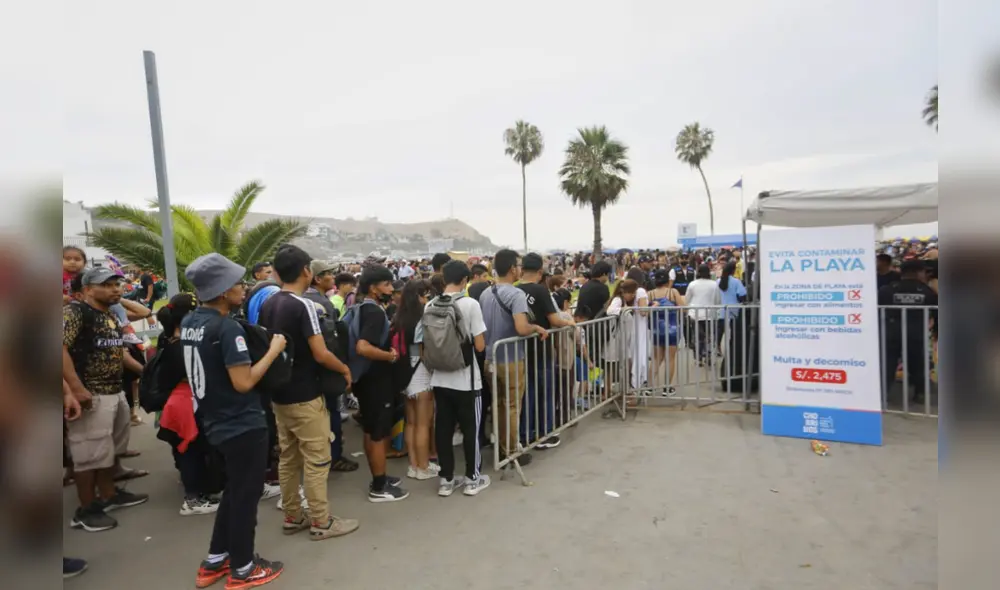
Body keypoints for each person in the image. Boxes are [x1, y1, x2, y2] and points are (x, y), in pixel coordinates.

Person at [181, 253, 286, 589]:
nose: (244, 287)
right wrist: (273, 349)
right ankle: (243, 566)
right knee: (245, 495)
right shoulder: (226, 328)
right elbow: (243, 381)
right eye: (239, 283)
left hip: (214, 420)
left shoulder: (191, 323)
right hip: (241, 422)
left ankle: (216, 558)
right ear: (224, 290)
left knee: (234, 490)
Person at [258, 245, 359, 539]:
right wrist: (343, 368)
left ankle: (293, 515)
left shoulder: (269, 303)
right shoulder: (302, 306)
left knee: (289, 458)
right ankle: (321, 521)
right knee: (317, 459)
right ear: (306, 271)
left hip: (280, 393)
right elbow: (319, 352)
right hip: (305, 393)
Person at [63, 267, 149, 533]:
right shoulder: (75, 312)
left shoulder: (109, 314)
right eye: (107, 285)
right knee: (88, 455)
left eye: (117, 284)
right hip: (91, 393)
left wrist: (145, 372)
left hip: (113, 390)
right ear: (88, 289)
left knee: (107, 449)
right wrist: (75, 388)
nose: (115, 289)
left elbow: (118, 352)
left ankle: (109, 495)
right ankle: (86, 510)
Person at [419, 260, 491, 496]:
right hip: (467, 380)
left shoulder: (430, 304)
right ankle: (473, 478)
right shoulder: (470, 304)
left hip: (439, 377)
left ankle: (446, 480)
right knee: (472, 429)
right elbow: (480, 345)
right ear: (464, 280)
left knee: (443, 429)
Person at [154, 293, 223, 516]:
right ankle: (192, 498)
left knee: (188, 449)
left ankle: (198, 490)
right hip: (185, 403)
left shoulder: (169, 341)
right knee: (190, 450)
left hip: (181, 402)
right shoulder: (181, 346)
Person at [480, 249, 548, 465]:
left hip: (490, 357)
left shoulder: (485, 293)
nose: (521, 269)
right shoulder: (516, 294)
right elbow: (521, 327)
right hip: (510, 358)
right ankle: (510, 451)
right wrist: (536, 327)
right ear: (512, 269)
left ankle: (503, 446)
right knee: (511, 406)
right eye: (519, 265)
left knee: (498, 404)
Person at [352, 264, 410, 502]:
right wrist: (390, 356)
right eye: (386, 284)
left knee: (370, 429)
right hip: (376, 380)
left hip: (366, 380)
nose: (390, 288)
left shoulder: (362, 307)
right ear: (373, 288)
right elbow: (363, 346)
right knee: (378, 433)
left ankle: (380, 475)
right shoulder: (374, 312)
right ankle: (378, 486)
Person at [518, 253, 574, 449]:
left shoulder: (515, 290)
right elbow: (554, 320)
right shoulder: (540, 291)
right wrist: (570, 322)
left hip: (521, 350)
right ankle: (544, 433)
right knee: (546, 394)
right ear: (540, 272)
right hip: (541, 348)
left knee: (528, 394)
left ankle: (526, 433)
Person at [392, 279, 439, 480]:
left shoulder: (397, 318)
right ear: (419, 296)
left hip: (403, 376)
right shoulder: (422, 319)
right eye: (426, 295)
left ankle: (414, 465)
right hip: (421, 375)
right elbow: (422, 350)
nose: (428, 299)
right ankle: (423, 466)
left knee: (410, 423)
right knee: (423, 424)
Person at [878, 259, 938, 404]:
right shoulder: (927, 291)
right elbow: (937, 313)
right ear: (918, 272)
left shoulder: (887, 289)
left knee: (887, 364)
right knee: (918, 364)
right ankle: (920, 393)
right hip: (916, 333)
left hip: (890, 333)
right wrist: (936, 331)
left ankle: (881, 395)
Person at [649, 270, 684, 394]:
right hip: (673, 329)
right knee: (670, 358)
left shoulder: (650, 294)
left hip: (656, 329)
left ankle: (648, 386)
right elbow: (682, 308)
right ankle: (667, 387)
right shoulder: (673, 292)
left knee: (656, 358)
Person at [684, 264, 722, 366]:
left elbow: (687, 299)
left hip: (695, 314)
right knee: (709, 336)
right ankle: (709, 355)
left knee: (697, 336)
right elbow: (718, 300)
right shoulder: (714, 284)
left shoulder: (692, 284)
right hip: (710, 314)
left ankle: (698, 359)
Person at [716, 261, 747, 355]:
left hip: (721, 311)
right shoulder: (736, 282)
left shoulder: (717, 281)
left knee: (720, 331)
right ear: (733, 270)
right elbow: (742, 295)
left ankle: (717, 347)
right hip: (734, 312)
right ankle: (731, 351)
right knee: (734, 334)